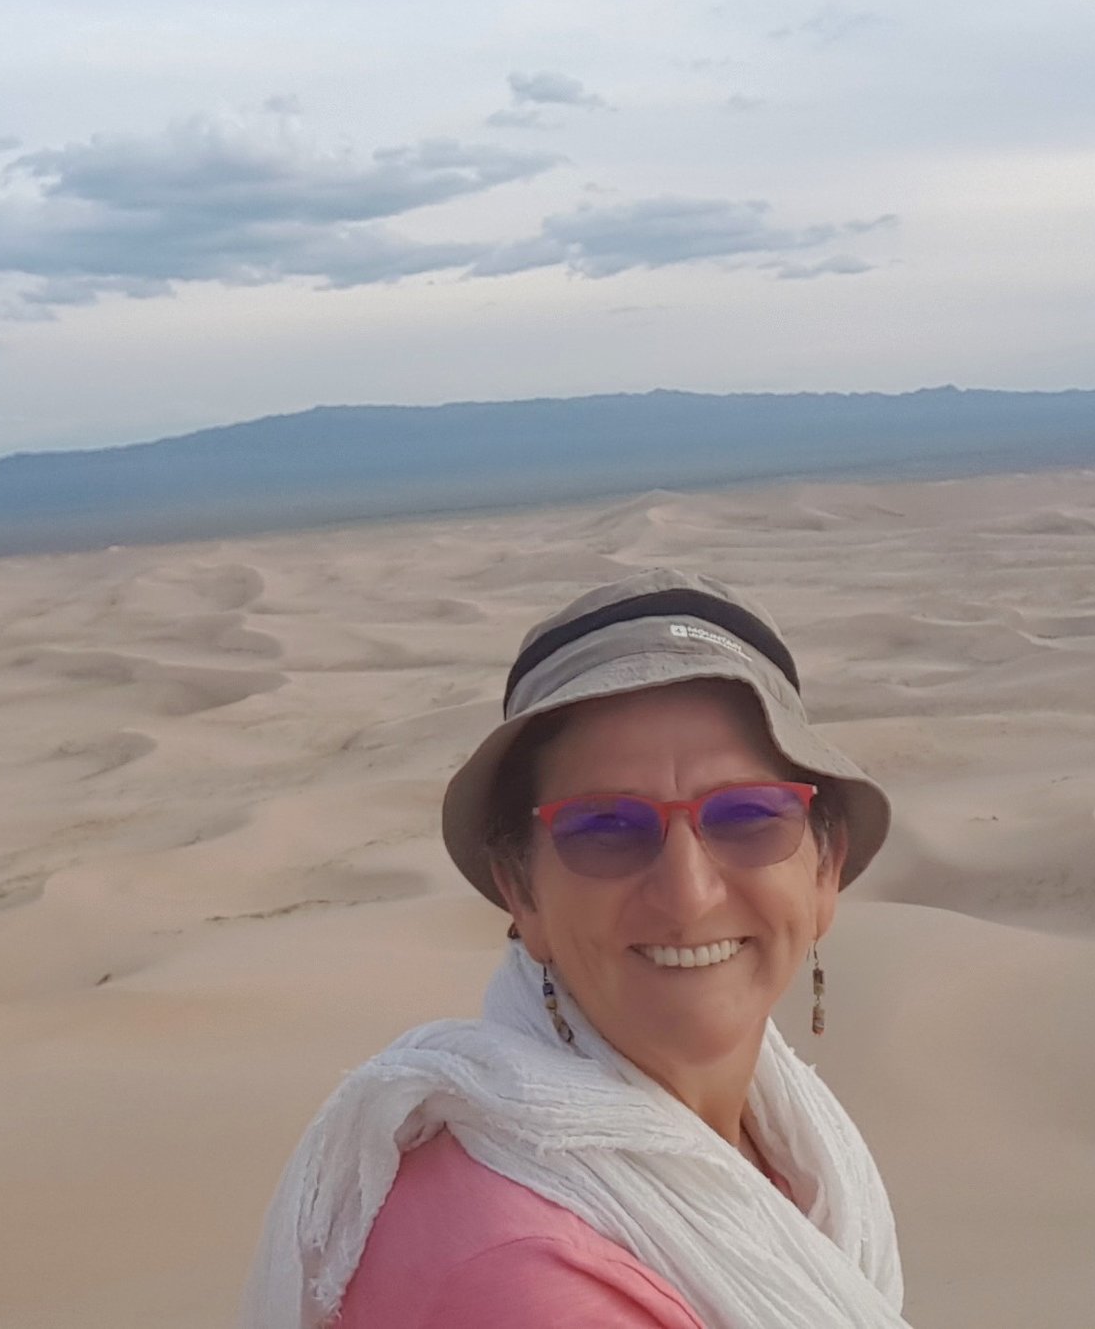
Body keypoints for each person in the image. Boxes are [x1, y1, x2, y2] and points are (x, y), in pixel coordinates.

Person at [243, 568, 910, 1329]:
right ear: (523, 892)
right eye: (605, 828)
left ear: (823, 870)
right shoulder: (520, 1275)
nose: (689, 892)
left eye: (749, 815)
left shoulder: (794, 1147)